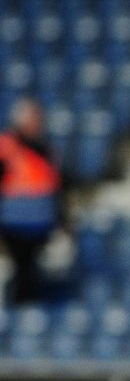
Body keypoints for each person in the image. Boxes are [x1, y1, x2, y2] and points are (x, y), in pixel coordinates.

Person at [0, 98, 64, 303]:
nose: (38, 124)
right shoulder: (6, 146)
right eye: (33, 119)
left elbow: (56, 187)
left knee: (34, 274)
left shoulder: (46, 149)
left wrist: (62, 221)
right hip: (14, 223)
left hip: (41, 223)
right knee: (22, 272)